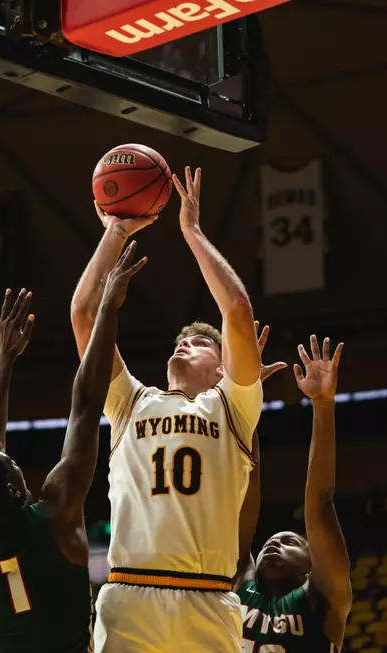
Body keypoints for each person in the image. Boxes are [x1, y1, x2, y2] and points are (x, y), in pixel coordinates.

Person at [70, 167, 265, 652]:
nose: (184, 344)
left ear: (223, 369)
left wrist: (192, 232)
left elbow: (237, 309)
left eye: (199, 343)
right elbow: (84, 315)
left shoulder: (233, 407)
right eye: (180, 340)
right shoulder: (130, 401)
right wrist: (115, 232)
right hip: (130, 595)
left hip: (209, 597)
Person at [0, 243, 146, 653]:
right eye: (8, 463)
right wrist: (106, 310)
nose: (8, 455)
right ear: (12, 490)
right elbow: (86, 405)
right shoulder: (56, 516)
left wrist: (3, 361)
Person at [235, 335, 352, 653]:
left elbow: (320, 503)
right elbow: (245, 484)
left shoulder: (322, 598)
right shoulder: (237, 584)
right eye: (271, 542)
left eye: (290, 541)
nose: (272, 543)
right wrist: (245, 398)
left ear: (311, 566)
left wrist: (323, 404)